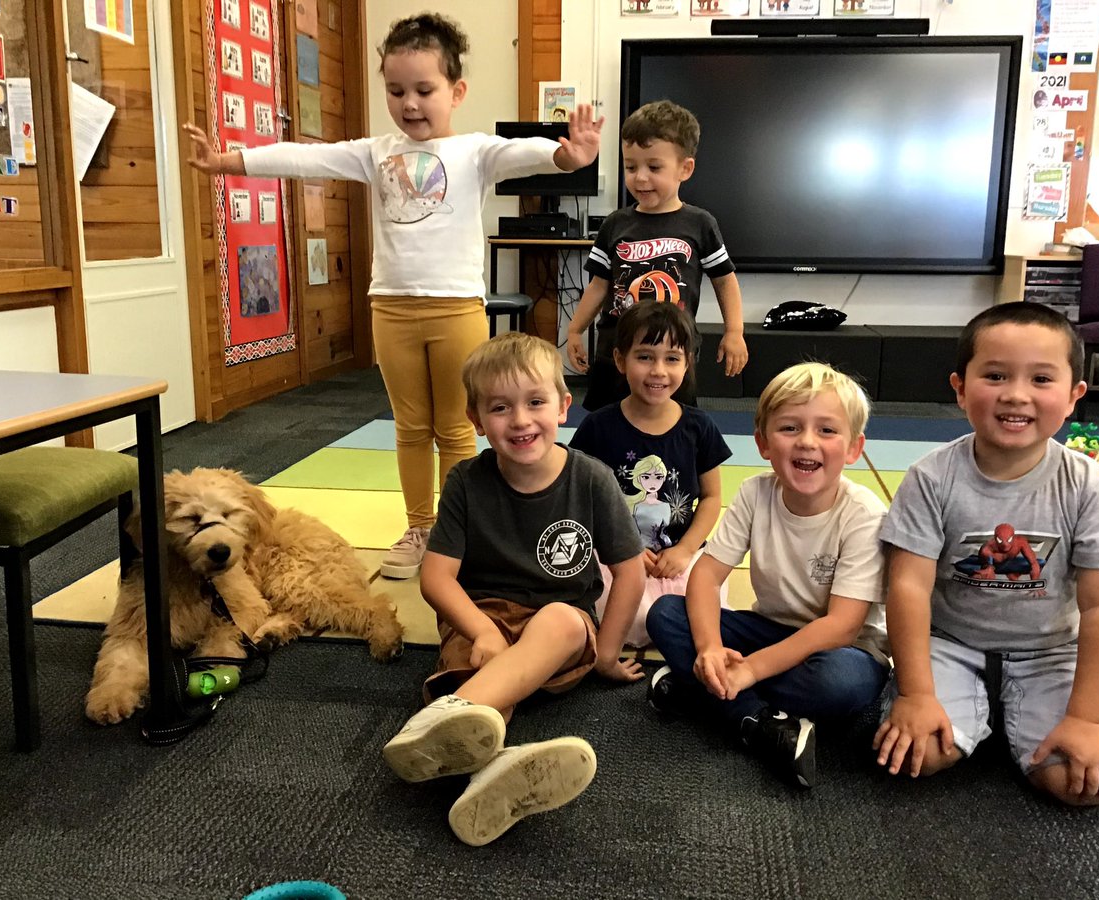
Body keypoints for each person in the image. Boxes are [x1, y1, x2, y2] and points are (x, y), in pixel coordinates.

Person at [182, 13, 602, 580]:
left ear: (456, 91)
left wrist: (570, 156)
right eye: (396, 90)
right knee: (410, 426)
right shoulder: (374, 151)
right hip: (392, 307)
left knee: (456, 425)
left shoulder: (476, 151)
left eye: (424, 90)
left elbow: (528, 152)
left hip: (456, 308)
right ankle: (420, 525)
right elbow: (304, 158)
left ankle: (457, 529)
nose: (410, 103)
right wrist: (227, 162)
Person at [381, 332, 646, 846]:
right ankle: (491, 772)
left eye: (535, 402)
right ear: (477, 419)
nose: (521, 420)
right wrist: (482, 631)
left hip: (558, 625)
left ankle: (432, 723)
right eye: (500, 408)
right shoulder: (465, 481)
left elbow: (630, 571)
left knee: (561, 620)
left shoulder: (591, 479)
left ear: (563, 407)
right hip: (482, 617)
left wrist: (607, 655)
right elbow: (436, 577)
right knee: (480, 676)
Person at [873, 302, 1099, 806]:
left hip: (1050, 651)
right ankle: (968, 708)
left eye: (1041, 379)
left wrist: (1084, 719)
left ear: (1074, 395)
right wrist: (917, 695)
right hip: (950, 643)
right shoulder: (931, 477)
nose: (1016, 394)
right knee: (918, 756)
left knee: (1080, 784)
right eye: (995, 376)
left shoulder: (1091, 487)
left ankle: (1082, 709)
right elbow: (907, 588)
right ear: (960, 388)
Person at [646, 362, 890, 788]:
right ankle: (758, 719)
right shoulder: (755, 492)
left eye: (827, 430)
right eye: (790, 428)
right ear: (762, 443)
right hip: (769, 630)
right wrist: (709, 648)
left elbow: (842, 626)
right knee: (666, 613)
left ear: (854, 448)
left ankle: (701, 689)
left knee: (842, 684)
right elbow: (705, 577)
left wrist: (752, 669)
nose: (807, 441)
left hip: (842, 650)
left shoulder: (864, 514)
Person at [564, 100, 747, 411]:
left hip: (672, 355)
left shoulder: (700, 224)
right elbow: (599, 285)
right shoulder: (615, 224)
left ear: (685, 168)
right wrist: (574, 329)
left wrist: (734, 331)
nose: (640, 178)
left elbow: (724, 281)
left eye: (654, 167)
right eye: (631, 167)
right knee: (606, 424)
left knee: (674, 424)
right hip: (616, 353)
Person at [569, 301, 732, 646]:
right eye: (645, 357)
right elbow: (580, 499)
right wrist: (621, 550)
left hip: (681, 554)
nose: (658, 371)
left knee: (707, 598)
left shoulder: (699, 427)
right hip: (618, 557)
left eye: (671, 359)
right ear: (620, 360)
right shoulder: (598, 427)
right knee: (612, 602)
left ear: (687, 363)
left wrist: (685, 549)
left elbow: (712, 496)